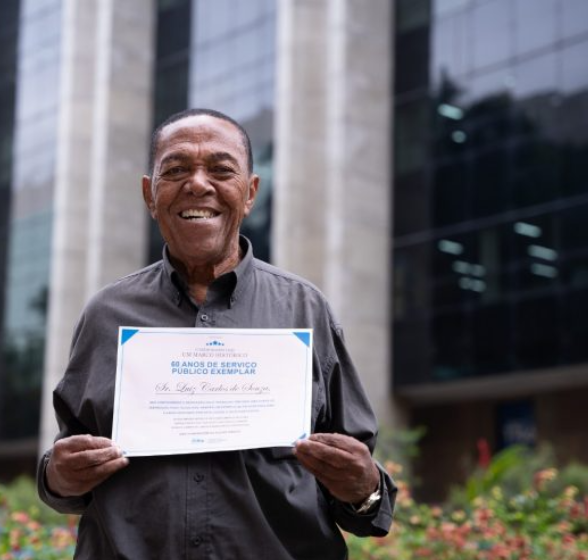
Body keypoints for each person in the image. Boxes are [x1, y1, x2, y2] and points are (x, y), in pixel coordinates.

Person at [37, 108, 396, 559]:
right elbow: (66, 476)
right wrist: (59, 478)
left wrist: (363, 488)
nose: (199, 184)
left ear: (250, 193)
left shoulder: (305, 311)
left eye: (221, 170)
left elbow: (365, 499)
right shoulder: (106, 315)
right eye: (177, 169)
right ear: (150, 194)